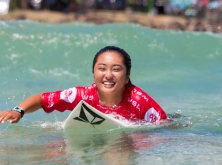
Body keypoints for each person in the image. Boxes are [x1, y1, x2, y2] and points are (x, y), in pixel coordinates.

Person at [0, 46, 168, 124]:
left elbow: (164, 127)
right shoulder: (83, 95)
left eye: (116, 69)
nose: (108, 75)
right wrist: (18, 111)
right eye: (102, 69)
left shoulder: (139, 101)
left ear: (127, 77)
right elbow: (42, 99)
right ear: (94, 73)